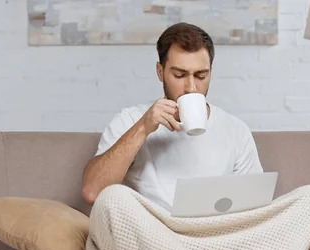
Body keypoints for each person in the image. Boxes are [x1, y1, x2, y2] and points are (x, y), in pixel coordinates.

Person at [81, 22, 263, 212]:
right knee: (115, 197)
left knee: (298, 199)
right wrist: (143, 127)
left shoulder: (236, 130)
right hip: (151, 232)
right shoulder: (129, 120)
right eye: (179, 75)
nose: (191, 87)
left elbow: (255, 206)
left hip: (213, 234)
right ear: (161, 72)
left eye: (201, 75)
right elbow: (92, 192)